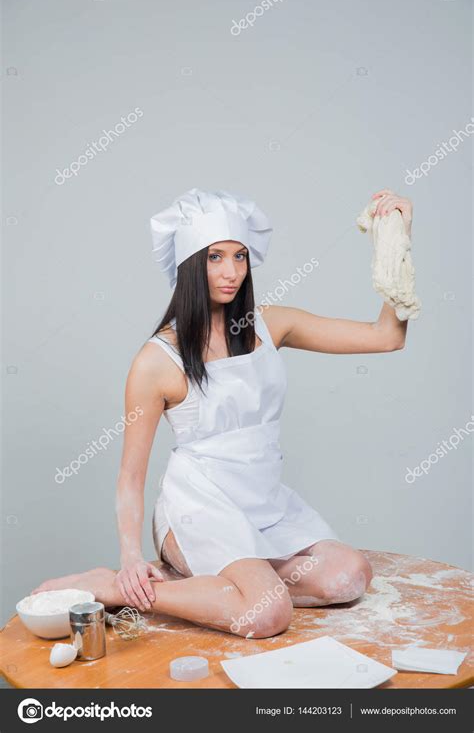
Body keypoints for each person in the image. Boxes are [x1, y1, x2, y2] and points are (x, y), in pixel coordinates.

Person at [31, 187, 412, 639]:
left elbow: (386, 337)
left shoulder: (272, 325)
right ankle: (111, 588)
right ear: (191, 265)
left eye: (239, 256)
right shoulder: (158, 361)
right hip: (199, 507)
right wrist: (130, 560)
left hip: (262, 502)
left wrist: (396, 239)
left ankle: (218, 584)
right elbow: (130, 478)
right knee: (268, 613)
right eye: (214, 257)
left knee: (348, 575)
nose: (230, 272)